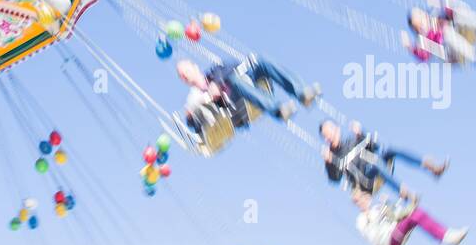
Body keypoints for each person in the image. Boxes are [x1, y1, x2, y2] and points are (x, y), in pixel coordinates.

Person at [178, 55, 318, 134]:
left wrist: (216, 82)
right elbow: (194, 123)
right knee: (234, 81)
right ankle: (278, 110)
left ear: (194, 66)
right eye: (182, 75)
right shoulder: (194, 96)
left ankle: (301, 93)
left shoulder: (214, 71)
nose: (184, 75)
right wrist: (192, 115)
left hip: (242, 79)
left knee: (262, 62)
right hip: (232, 104)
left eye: (186, 71)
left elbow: (232, 64)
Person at [320, 119, 447, 197]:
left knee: (390, 150)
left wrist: (361, 133)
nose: (330, 136)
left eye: (331, 131)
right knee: (375, 163)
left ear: (337, 129)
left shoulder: (352, 141)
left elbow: (376, 147)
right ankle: (404, 192)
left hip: (378, 167)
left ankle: (431, 167)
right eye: (326, 136)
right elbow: (335, 179)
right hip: (365, 182)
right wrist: (328, 163)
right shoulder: (333, 156)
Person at [403, 0, 476, 68]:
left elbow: (450, 11)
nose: (422, 19)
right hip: (452, 52)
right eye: (418, 21)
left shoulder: (435, 16)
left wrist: (438, 2)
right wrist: (410, 47)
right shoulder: (424, 39)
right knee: (446, 33)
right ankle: (475, 56)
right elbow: (424, 56)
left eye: (421, 14)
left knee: (457, 13)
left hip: (462, 33)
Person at [352, 188, 467, 245]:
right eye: (358, 202)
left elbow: (396, 215)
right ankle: (448, 238)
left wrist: (395, 202)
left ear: (368, 198)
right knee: (415, 216)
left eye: (363, 198)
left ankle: (447, 236)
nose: (362, 202)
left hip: (396, 231)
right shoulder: (361, 220)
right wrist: (370, 219)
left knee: (418, 213)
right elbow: (373, 240)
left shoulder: (377, 209)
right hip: (389, 241)